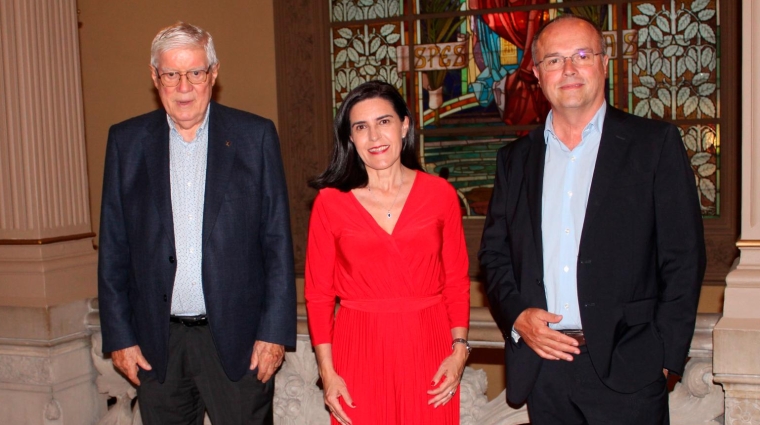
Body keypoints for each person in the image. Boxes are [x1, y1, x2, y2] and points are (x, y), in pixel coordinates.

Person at [478, 15, 706, 425]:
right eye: (554, 60)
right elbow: (494, 256)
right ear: (535, 73)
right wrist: (517, 316)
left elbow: (683, 257)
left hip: (630, 368)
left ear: (604, 63)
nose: (568, 70)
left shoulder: (654, 145)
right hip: (544, 369)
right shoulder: (515, 160)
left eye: (582, 55)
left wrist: (664, 358)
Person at [98, 22, 296, 425]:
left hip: (241, 347)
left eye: (195, 72)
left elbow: (276, 243)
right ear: (155, 78)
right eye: (171, 74)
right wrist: (120, 337)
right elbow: (114, 247)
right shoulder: (127, 142)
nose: (184, 86)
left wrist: (274, 332)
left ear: (214, 74)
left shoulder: (254, 137)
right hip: (158, 345)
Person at [305, 80, 471, 425]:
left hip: (429, 347)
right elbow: (319, 295)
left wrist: (459, 352)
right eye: (361, 127)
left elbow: (456, 281)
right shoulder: (330, 203)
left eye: (384, 122)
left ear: (404, 125)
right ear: (350, 138)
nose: (374, 137)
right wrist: (327, 372)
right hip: (358, 350)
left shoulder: (440, 194)